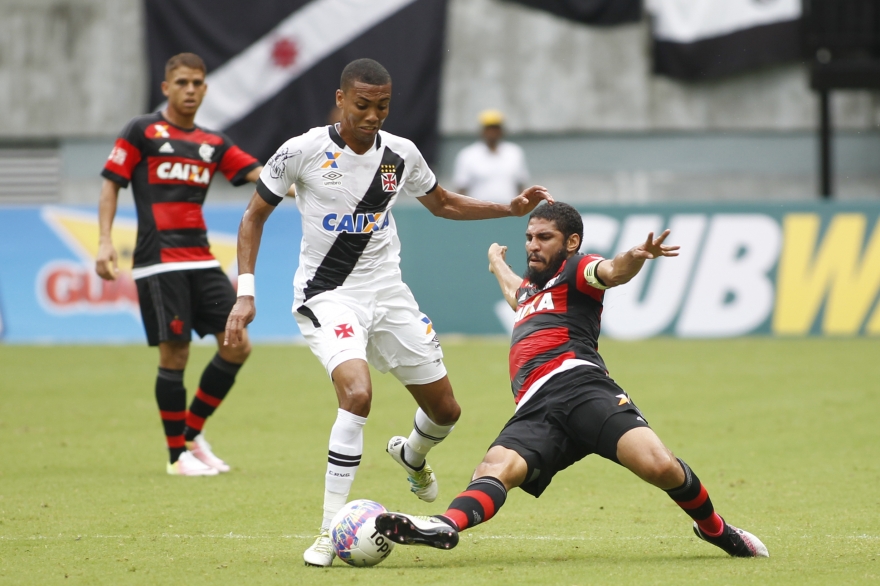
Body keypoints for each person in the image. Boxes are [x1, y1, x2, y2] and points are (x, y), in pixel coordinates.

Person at [222, 58, 553, 567]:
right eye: (363, 105)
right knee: (356, 394)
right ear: (340, 99)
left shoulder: (400, 155)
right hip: (328, 295)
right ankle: (329, 532)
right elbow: (253, 216)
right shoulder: (303, 151)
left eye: (382, 106)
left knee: (447, 410)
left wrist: (508, 209)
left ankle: (412, 455)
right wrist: (245, 292)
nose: (373, 115)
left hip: (389, 295)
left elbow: (441, 203)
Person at [374, 202, 770, 559]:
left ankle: (715, 529)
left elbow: (612, 271)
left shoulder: (577, 269)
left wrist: (634, 256)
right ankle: (445, 524)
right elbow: (516, 293)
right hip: (535, 408)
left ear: (571, 242)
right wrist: (496, 261)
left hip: (582, 389)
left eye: (544, 238)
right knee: (494, 468)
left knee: (660, 466)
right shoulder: (531, 289)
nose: (533, 245)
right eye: (529, 237)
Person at [96, 52, 263, 477]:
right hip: (158, 262)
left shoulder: (212, 142)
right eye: (182, 82)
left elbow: (261, 177)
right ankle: (176, 458)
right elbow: (111, 185)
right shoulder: (142, 130)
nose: (190, 89)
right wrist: (104, 241)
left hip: (202, 259)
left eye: (197, 83)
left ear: (205, 88)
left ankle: (190, 434)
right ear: (166, 87)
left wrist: (313, 183)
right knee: (176, 354)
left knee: (237, 343)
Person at [451, 109, 530, 204]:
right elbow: (461, 188)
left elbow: (520, 185)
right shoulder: (468, 155)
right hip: (479, 212)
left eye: (495, 128)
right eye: (489, 128)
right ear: (482, 130)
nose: (492, 132)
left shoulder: (514, 153)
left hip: (508, 211)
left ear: (502, 130)